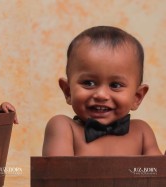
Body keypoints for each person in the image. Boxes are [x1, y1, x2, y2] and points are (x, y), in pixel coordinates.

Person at [42, 26, 162, 156]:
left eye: (115, 85)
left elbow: (157, 173)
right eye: (89, 83)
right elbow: (57, 174)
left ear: (137, 97)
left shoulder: (142, 133)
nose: (101, 95)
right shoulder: (64, 128)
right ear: (68, 91)